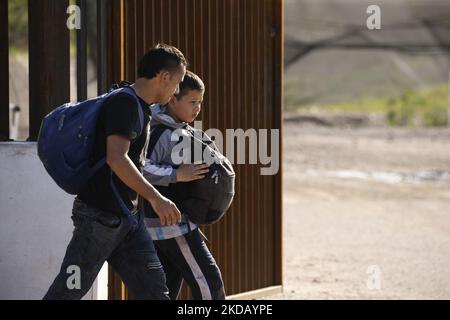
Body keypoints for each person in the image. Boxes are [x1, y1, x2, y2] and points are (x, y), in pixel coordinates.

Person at [43, 44, 187, 300]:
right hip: (98, 220)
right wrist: (157, 197)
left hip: (128, 220)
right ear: (164, 77)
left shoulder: (139, 106)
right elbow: (116, 158)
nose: (176, 91)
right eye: (176, 83)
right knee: (68, 290)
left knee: (155, 292)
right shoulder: (125, 104)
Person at [143, 71, 226, 300]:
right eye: (192, 102)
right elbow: (139, 169)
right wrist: (176, 175)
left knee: (166, 290)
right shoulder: (159, 131)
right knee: (209, 283)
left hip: (174, 223)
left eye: (200, 102)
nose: (197, 108)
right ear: (173, 99)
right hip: (170, 224)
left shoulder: (180, 129)